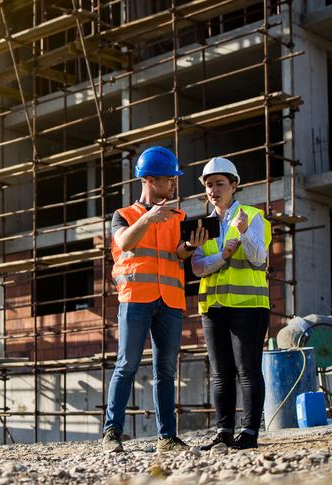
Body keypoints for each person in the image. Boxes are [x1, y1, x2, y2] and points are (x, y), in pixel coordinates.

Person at [102, 146, 209, 453]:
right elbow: (124, 242)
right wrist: (148, 219)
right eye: (168, 178)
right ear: (149, 180)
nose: (174, 184)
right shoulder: (123, 215)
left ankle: (167, 437)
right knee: (127, 365)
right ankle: (112, 433)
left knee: (165, 371)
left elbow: (178, 254)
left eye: (174, 178)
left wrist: (190, 245)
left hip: (171, 301)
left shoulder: (179, 216)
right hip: (136, 299)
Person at [192, 157, 271, 451]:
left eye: (219, 184)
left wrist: (245, 231)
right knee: (220, 372)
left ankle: (249, 433)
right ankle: (223, 432)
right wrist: (222, 256)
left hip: (249, 304)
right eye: (209, 185)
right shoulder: (204, 224)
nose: (213, 190)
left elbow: (259, 258)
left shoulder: (253, 216)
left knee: (248, 369)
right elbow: (198, 267)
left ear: (234, 186)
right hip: (212, 307)